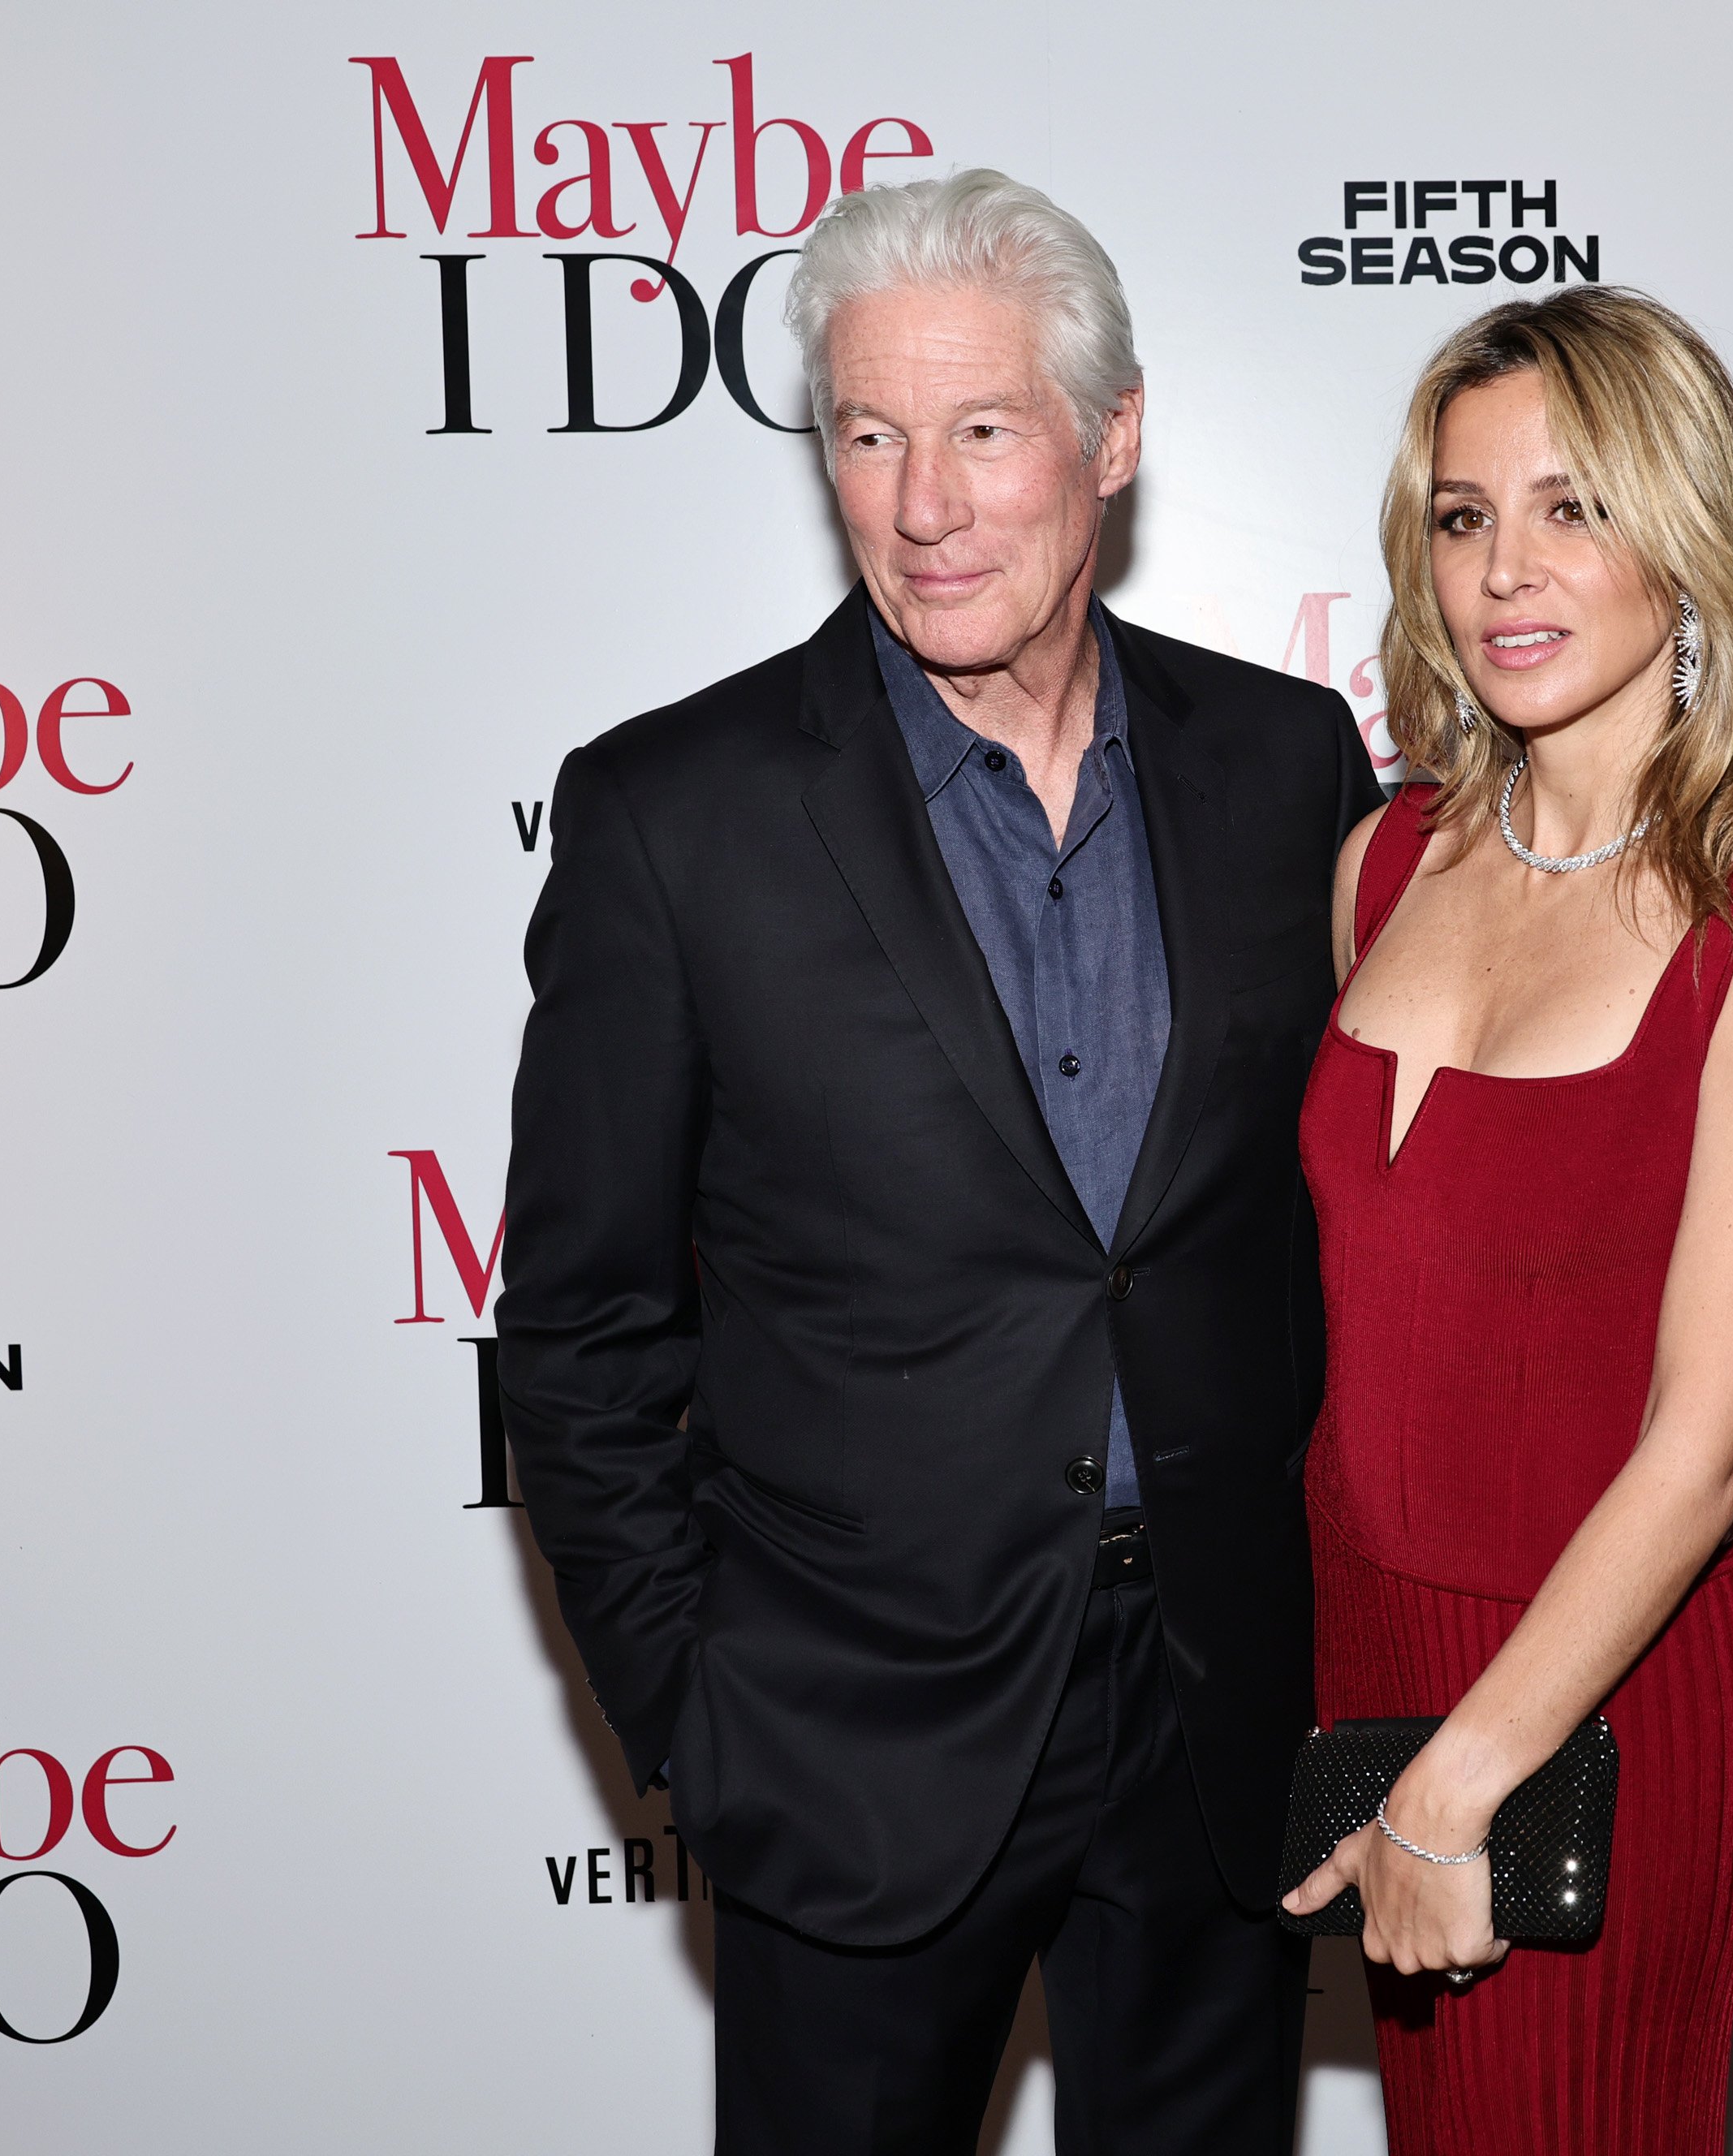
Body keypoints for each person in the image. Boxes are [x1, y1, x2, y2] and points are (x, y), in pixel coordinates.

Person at [496, 168, 1377, 2155]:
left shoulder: (1289, 767)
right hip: (850, 1750)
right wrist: (703, 1726)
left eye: (982, 431)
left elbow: (1351, 1237)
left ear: (1112, 438)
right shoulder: (674, 815)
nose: (921, 504)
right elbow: (577, 1327)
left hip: (1217, 1721)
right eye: (869, 436)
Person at [1280, 287, 1733, 2153]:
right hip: (1372, 1668)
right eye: (1463, 518)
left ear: (1684, 541)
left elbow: (1705, 1455)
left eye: (1572, 506)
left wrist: (1462, 1784)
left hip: (1592, 1694)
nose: (1506, 570)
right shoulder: (1385, 859)